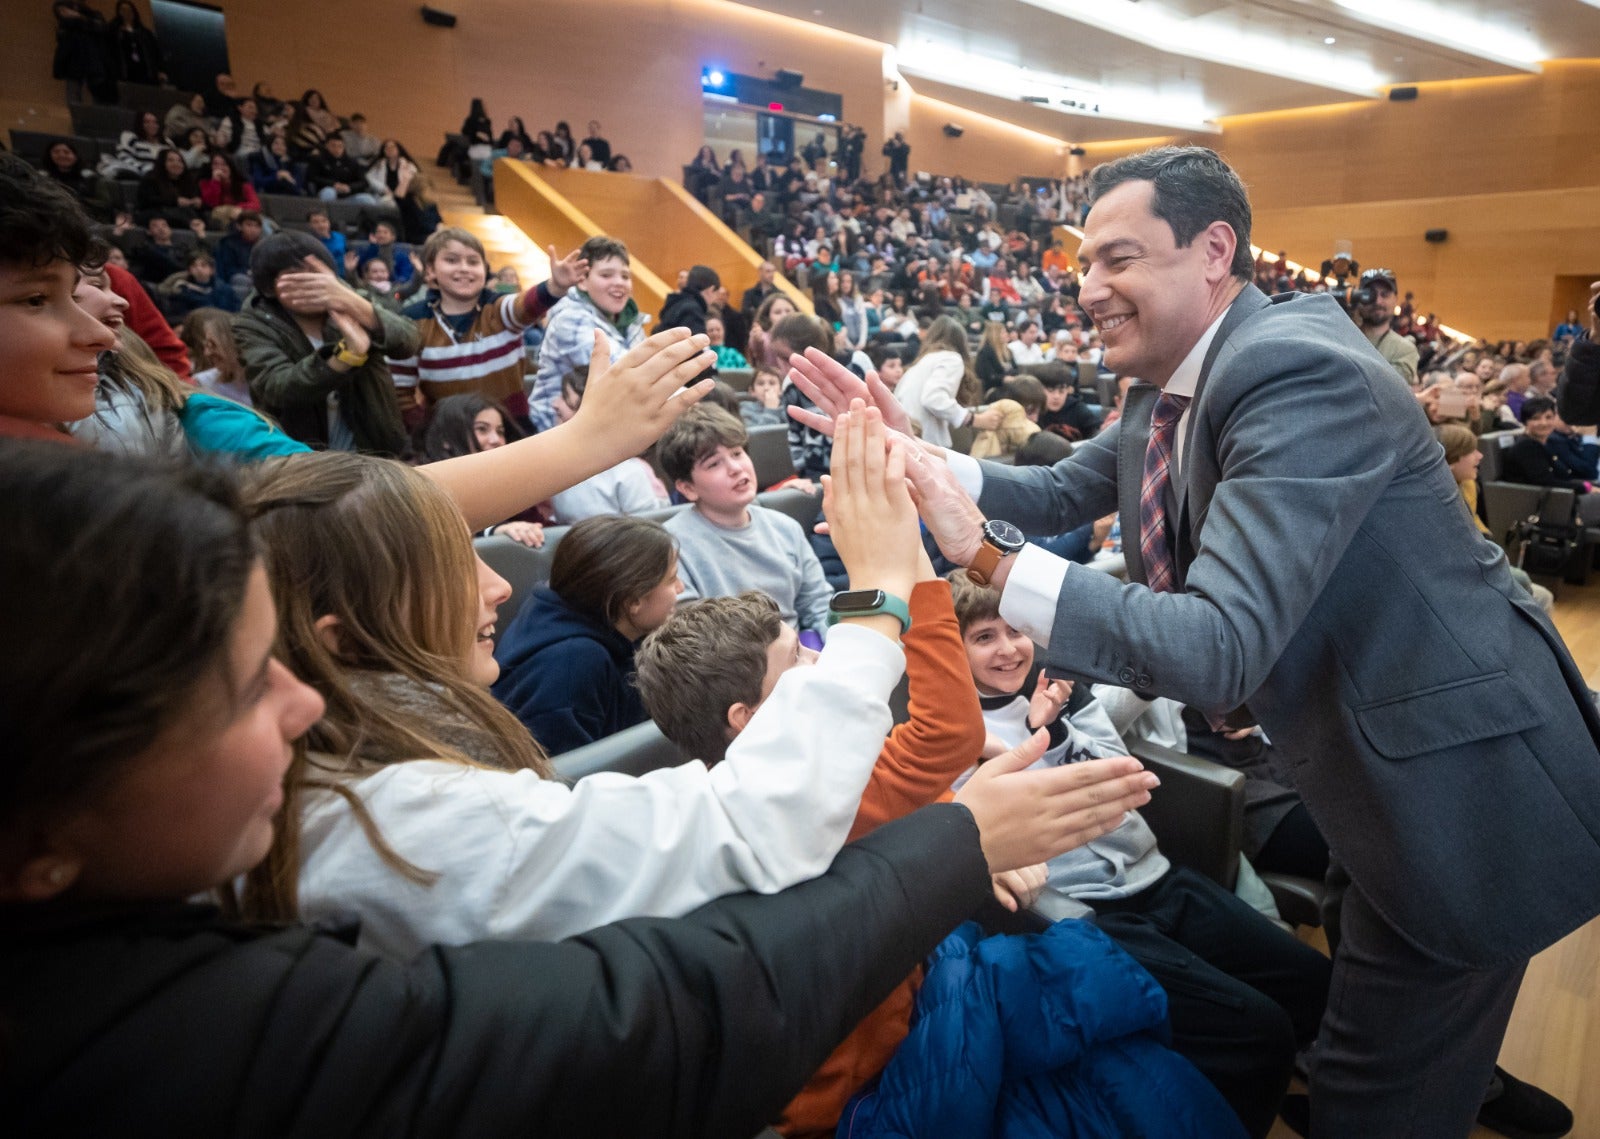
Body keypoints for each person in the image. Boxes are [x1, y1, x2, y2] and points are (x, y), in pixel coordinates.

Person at [789, 144, 1594, 1139]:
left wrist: (985, 556)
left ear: (1213, 249)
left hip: (1458, 778)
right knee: (1377, 1007)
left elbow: (1217, 647)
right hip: (1365, 760)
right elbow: (1053, 490)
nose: (1087, 288)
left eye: (1117, 258)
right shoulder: (1170, 378)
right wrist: (921, 459)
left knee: (1371, 1091)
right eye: (1083, 264)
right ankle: (1454, 1076)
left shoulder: (1295, 369)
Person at [0, 439, 1038, 1139]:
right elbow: (684, 971)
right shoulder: (373, 817)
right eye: (237, 685)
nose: (499, 582)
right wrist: (881, 598)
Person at [492, 516, 678, 754]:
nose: (680, 588)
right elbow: (566, 773)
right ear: (633, 600)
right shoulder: (572, 663)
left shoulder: (596, 620)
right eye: (672, 579)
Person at [233, 230, 417, 455]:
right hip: (303, 460)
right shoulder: (253, 323)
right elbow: (277, 388)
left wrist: (353, 302)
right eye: (296, 277)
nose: (313, 285)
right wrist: (345, 356)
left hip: (374, 451)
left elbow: (408, 341)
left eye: (317, 274)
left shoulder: (350, 297)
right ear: (269, 287)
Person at [660, 405, 833, 637]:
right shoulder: (670, 547)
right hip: (730, 666)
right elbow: (694, 640)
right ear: (688, 488)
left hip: (799, 656)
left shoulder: (785, 528)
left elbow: (819, 606)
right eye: (714, 464)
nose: (735, 468)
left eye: (737, 453)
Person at [391, 227, 581, 429]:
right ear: (429, 271)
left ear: (485, 269)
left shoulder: (498, 309)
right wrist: (424, 436)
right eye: (452, 260)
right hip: (450, 442)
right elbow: (402, 394)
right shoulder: (412, 321)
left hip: (512, 434)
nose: (464, 268)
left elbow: (524, 306)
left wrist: (554, 287)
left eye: (473, 262)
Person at [529, 234, 648, 431]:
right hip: (553, 433)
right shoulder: (569, 318)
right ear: (583, 281)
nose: (619, 282)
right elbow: (622, 373)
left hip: (603, 428)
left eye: (625, 276)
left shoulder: (631, 322)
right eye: (606, 275)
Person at [894, 315, 1000, 449]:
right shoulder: (951, 358)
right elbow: (933, 398)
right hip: (927, 447)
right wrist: (974, 420)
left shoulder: (919, 364)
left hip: (908, 442)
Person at [1350, 267, 1419, 385]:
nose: (1378, 301)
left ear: (1396, 299)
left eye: (1385, 294)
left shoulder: (1404, 349)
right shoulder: (1343, 337)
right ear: (1359, 297)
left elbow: (1391, 390)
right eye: (1370, 294)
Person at [307, 136, 379, 205]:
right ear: (327, 146)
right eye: (333, 146)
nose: (337, 149)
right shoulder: (318, 159)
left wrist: (349, 187)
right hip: (326, 190)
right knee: (329, 192)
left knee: (368, 200)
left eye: (340, 146)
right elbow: (312, 177)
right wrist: (333, 184)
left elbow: (364, 182)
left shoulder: (351, 162)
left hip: (347, 195)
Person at [659, 264, 720, 336]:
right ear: (711, 289)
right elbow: (696, 343)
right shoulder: (693, 310)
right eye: (716, 293)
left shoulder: (676, 302)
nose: (715, 298)